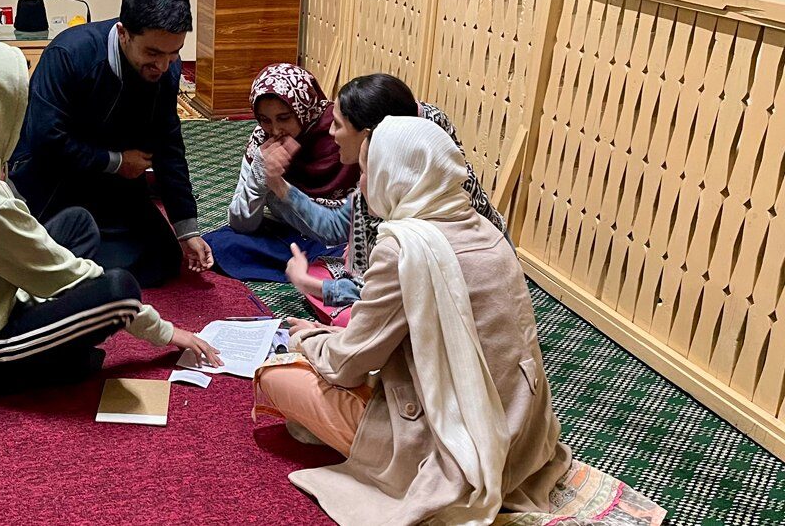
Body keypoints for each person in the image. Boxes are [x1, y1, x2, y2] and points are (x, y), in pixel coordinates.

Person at [252, 118, 664, 526]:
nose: (361, 185)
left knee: (275, 376)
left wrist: (309, 341)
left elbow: (347, 365)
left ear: (394, 175)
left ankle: (390, 457)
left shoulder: (404, 246)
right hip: (526, 436)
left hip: (452, 442)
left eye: (366, 172)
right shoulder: (484, 226)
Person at [0, 40, 220, 397]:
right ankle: (40, 360)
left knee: (77, 224)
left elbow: (9, 233)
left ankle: (54, 347)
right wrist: (168, 332)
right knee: (121, 294)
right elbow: (68, 273)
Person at [9, 0, 211, 288]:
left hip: (116, 181)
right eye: (153, 54)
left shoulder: (167, 69)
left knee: (165, 258)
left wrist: (188, 230)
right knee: (78, 254)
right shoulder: (69, 55)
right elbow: (46, 140)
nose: (163, 66)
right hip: (54, 178)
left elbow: (169, 146)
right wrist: (116, 161)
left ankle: (68, 263)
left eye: (174, 53)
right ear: (123, 34)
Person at [266, 73, 508, 318]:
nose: (330, 132)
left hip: (459, 310)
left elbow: (379, 294)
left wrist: (306, 284)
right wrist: (278, 185)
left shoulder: (409, 210)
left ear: (369, 135)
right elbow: (339, 224)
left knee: (350, 317)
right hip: (446, 289)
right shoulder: (403, 166)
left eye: (338, 124)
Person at [203, 63, 357, 282]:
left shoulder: (340, 132)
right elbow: (241, 223)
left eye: (284, 118)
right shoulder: (262, 140)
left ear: (303, 107)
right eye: (265, 120)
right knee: (216, 245)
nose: (275, 130)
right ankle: (308, 271)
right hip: (284, 233)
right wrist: (260, 174)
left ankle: (312, 270)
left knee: (352, 259)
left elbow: (349, 222)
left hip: (334, 236)